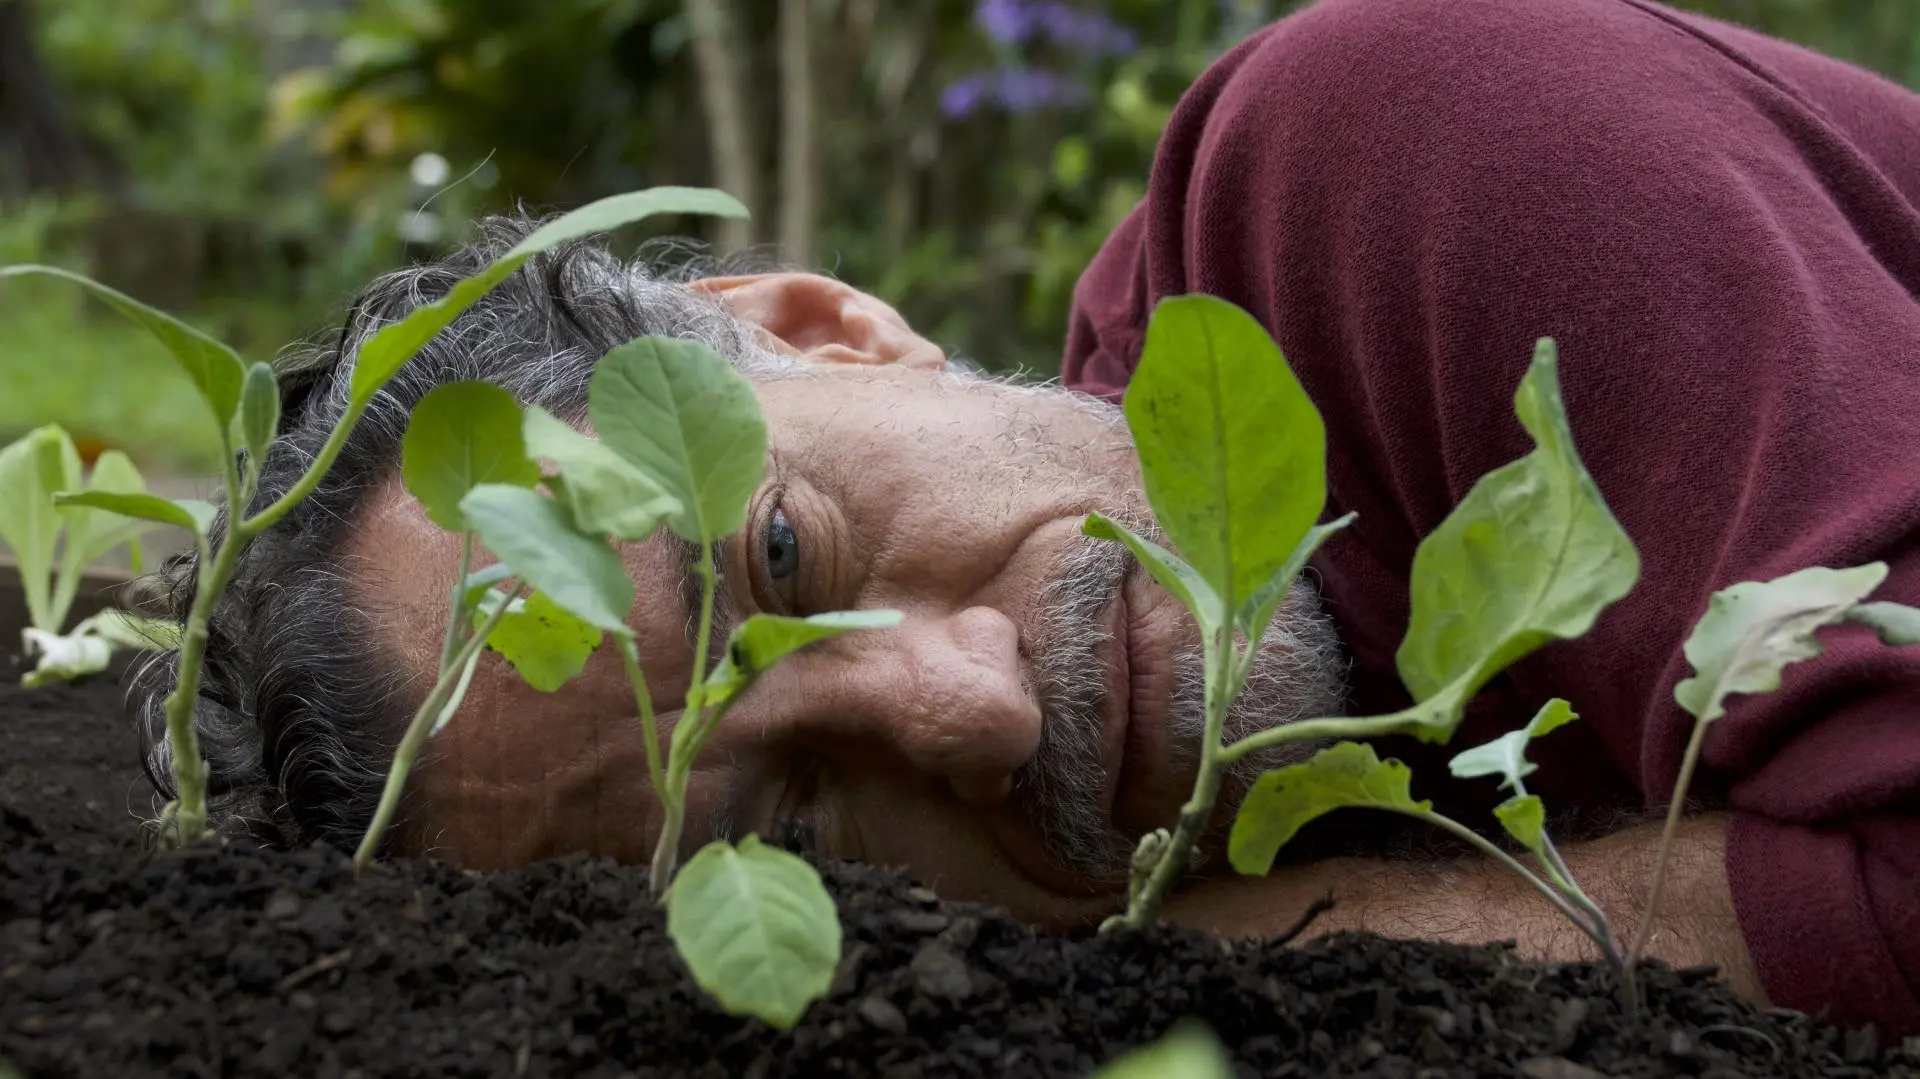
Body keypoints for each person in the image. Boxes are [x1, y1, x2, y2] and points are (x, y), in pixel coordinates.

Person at [130, 0, 1920, 1034]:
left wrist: (1204, 965)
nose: (969, 707)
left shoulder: (1391, 154)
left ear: (814, 329)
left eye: (780, 559)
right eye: (803, 831)